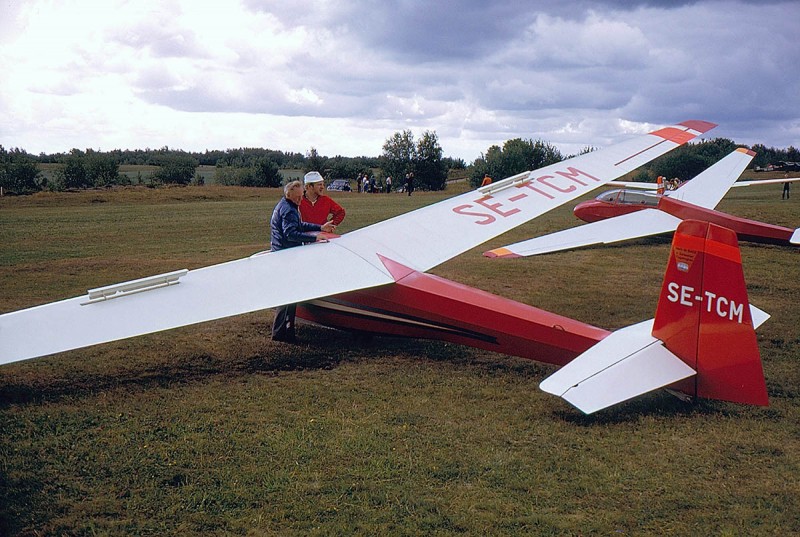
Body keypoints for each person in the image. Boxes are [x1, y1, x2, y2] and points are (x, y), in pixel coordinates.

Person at [270, 180, 335, 342]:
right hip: (286, 256)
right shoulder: (289, 210)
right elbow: (291, 233)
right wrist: (314, 237)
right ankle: (285, 333)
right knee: (289, 296)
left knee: (286, 296)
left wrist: (320, 228)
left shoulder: (286, 205)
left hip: (281, 254)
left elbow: (298, 225)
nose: (300, 200)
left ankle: (282, 332)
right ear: (289, 194)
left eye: (302, 196)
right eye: (298, 197)